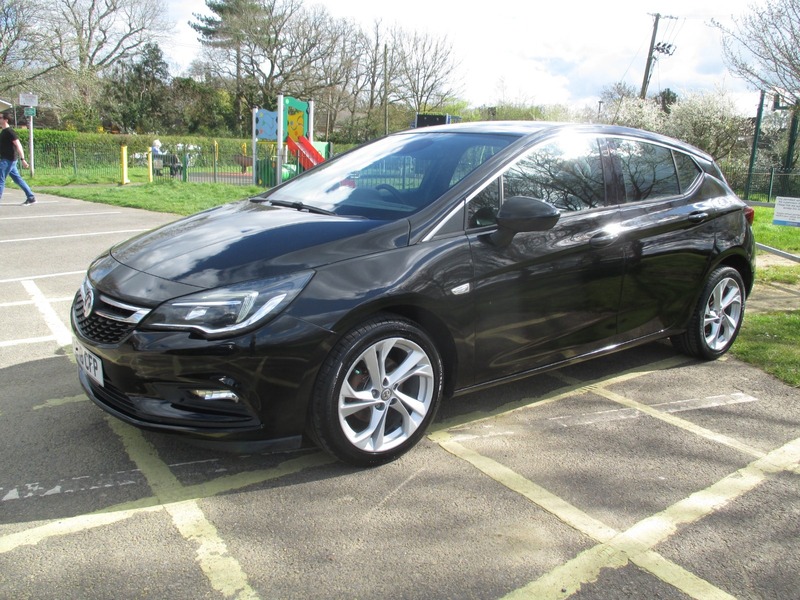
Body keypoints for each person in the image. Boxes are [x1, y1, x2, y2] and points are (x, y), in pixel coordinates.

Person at [0, 112, 36, 206]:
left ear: (5, 120)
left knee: (0, 179)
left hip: (8, 160)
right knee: (17, 179)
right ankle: (31, 197)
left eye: (0, 118)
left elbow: (18, 145)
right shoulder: (3, 131)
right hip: (7, 159)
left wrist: (23, 159)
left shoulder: (9, 132)